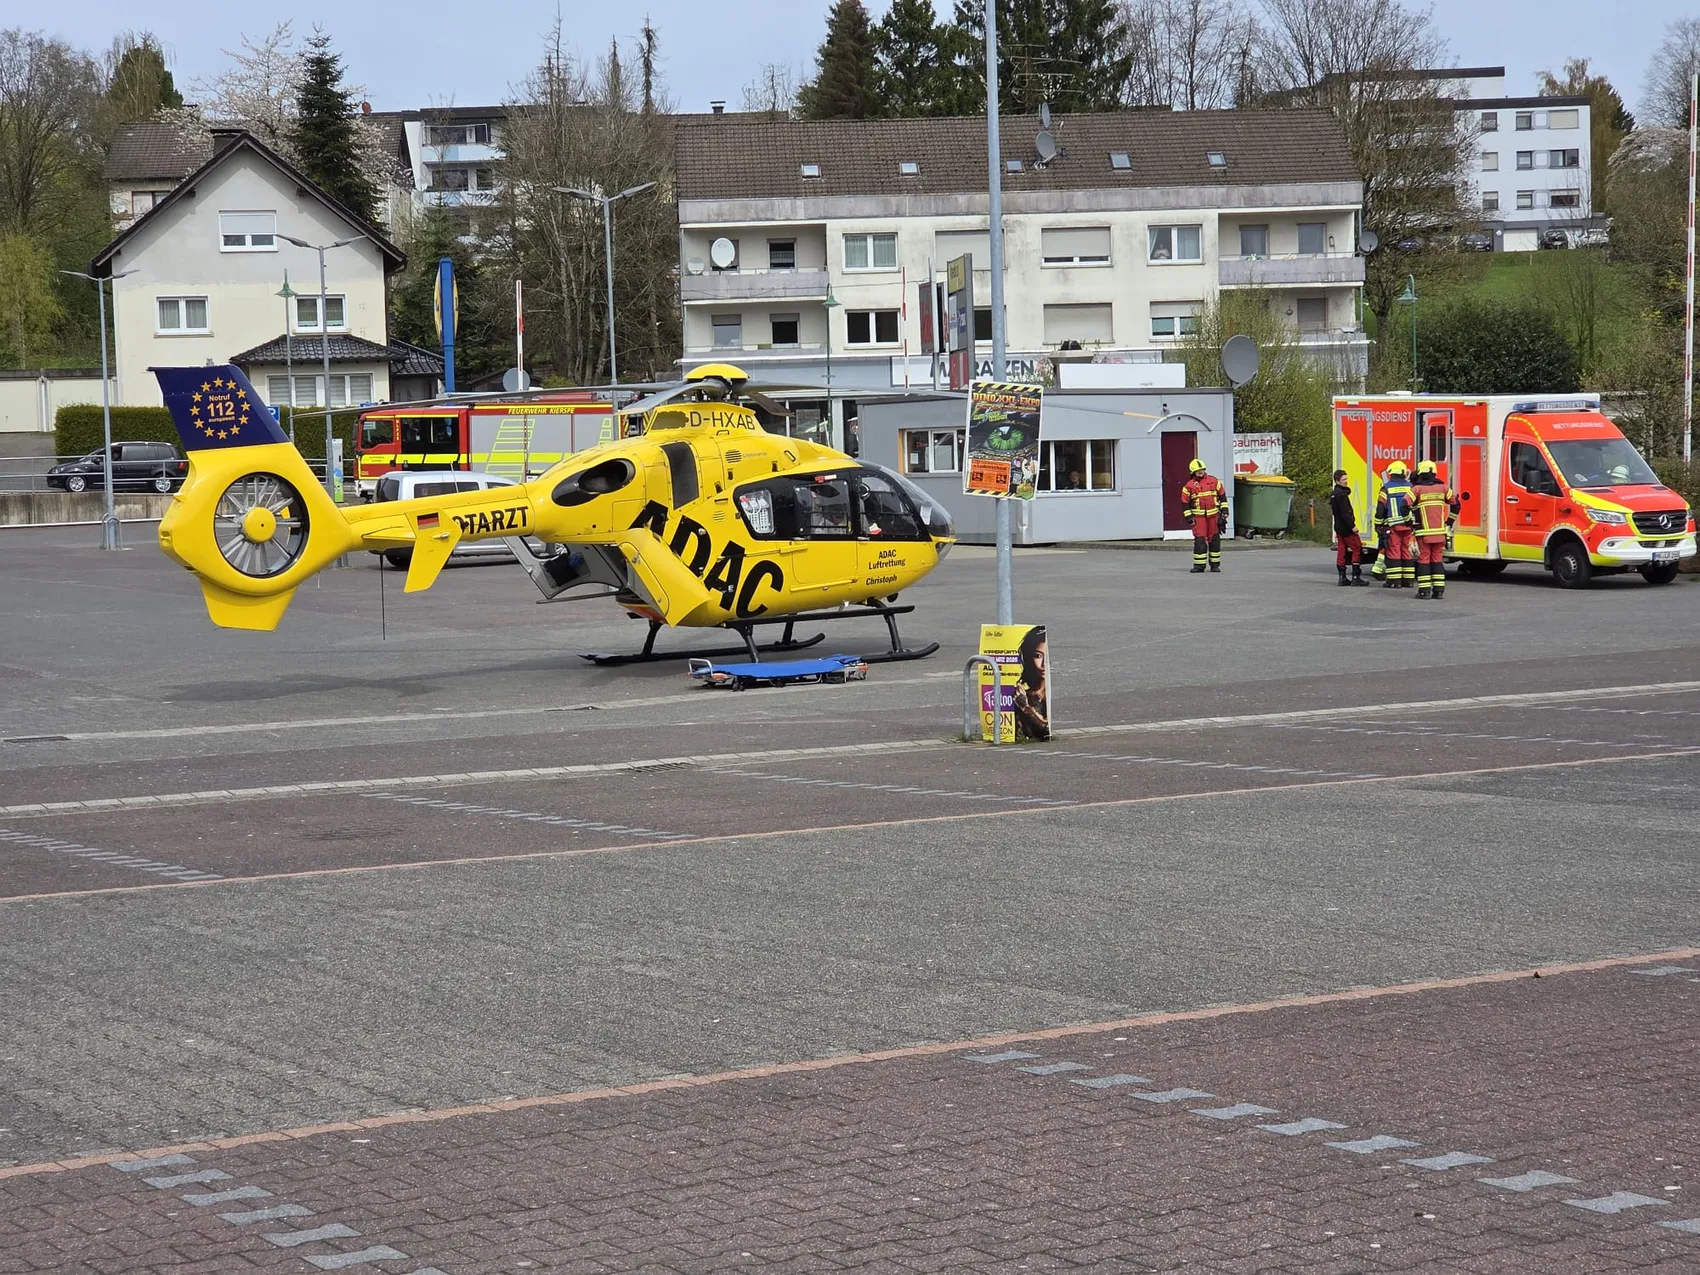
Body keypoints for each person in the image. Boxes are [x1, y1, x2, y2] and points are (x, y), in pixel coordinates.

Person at [1409, 459, 1460, 600]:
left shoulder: (1416, 489)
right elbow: (1456, 505)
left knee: (1424, 559)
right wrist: (1449, 521)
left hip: (1423, 533)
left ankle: (1424, 591)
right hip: (1440, 532)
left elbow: (1404, 505)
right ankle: (1438, 591)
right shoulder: (1444, 488)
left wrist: (1410, 522)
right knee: (1437, 559)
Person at [1180, 457, 1228, 573]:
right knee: (1200, 541)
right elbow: (1184, 502)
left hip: (1213, 517)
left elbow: (1222, 496)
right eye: (1198, 470)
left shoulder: (1214, 481)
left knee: (1215, 540)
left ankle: (1215, 565)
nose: (1201, 472)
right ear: (1193, 472)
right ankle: (1199, 566)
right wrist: (1189, 517)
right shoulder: (1189, 486)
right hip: (1199, 518)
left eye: (1202, 469)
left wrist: (1225, 511)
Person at [1374, 460, 1415, 589]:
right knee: (1406, 551)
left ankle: (1394, 581)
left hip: (1393, 525)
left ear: (1390, 473)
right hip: (1408, 525)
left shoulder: (1386, 488)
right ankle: (1408, 581)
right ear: (1404, 473)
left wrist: (1378, 525)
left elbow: (1381, 508)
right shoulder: (1411, 487)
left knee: (1394, 551)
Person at [1011, 628, 1050, 741]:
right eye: (1038, 656)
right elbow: (1019, 734)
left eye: (1047, 656)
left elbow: (1047, 729)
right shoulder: (1025, 695)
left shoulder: (1053, 692)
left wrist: (1026, 708)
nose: (1043, 664)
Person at [1330, 469, 1367, 586]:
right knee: (1357, 548)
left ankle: (1342, 577)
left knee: (1341, 550)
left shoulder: (1334, 494)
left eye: (1346, 479)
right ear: (1337, 481)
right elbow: (1345, 513)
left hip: (1338, 527)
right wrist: (1353, 526)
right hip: (1346, 528)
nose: (1346, 481)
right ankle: (1356, 577)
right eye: (1344, 480)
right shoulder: (1341, 495)